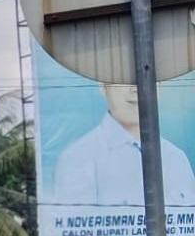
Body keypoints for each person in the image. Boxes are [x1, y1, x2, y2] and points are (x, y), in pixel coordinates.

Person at [51, 82, 195, 208]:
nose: (136, 88)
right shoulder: (78, 158)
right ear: (103, 85)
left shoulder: (177, 158)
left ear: (159, 87)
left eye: (147, 77)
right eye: (124, 79)